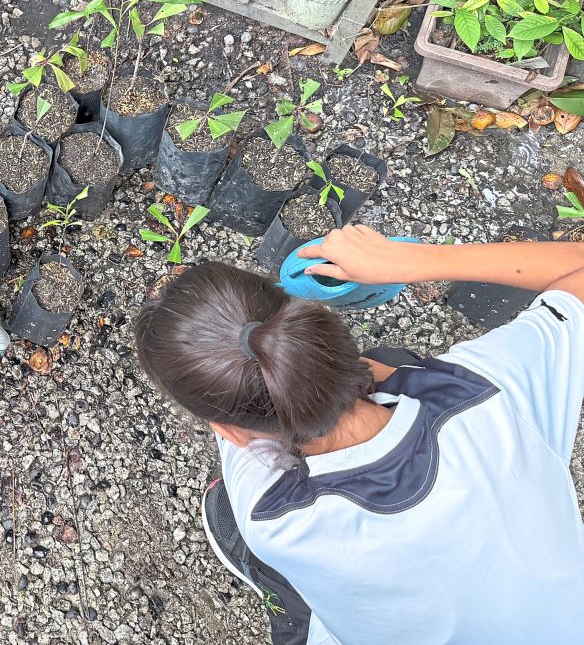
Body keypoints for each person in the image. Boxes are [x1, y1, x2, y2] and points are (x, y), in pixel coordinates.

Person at [133, 225, 584, 645]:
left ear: (225, 431)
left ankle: (289, 601)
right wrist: (407, 261)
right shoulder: (491, 394)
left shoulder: (270, 515)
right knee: (388, 361)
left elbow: (256, 417)